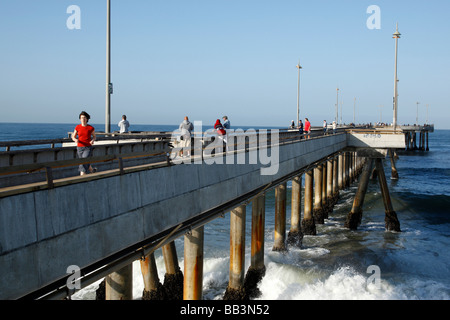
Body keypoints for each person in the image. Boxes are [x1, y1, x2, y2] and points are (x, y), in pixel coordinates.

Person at [72, 111, 96, 175]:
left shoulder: (90, 128)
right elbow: (73, 136)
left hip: (88, 147)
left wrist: (92, 140)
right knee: (83, 161)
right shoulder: (77, 127)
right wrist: (75, 139)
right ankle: (92, 170)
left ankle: (82, 175)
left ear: (87, 119)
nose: (83, 119)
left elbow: (94, 136)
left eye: (84, 117)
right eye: (81, 118)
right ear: (80, 119)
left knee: (83, 161)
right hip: (79, 147)